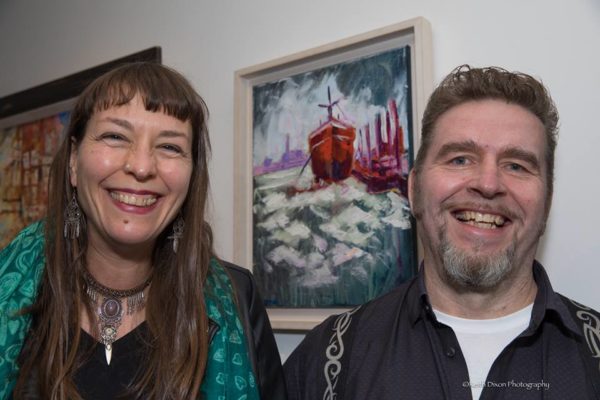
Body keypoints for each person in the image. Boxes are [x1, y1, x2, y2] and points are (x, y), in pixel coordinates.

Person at [284, 65, 600, 399]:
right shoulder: (326, 359)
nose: (488, 184)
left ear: (546, 203)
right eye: (460, 159)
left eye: (516, 166)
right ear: (413, 190)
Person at [0, 62, 286, 399]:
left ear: (192, 174)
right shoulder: (11, 289)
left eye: (169, 147)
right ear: (74, 161)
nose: (141, 166)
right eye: (115, 136)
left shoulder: (237, 297)